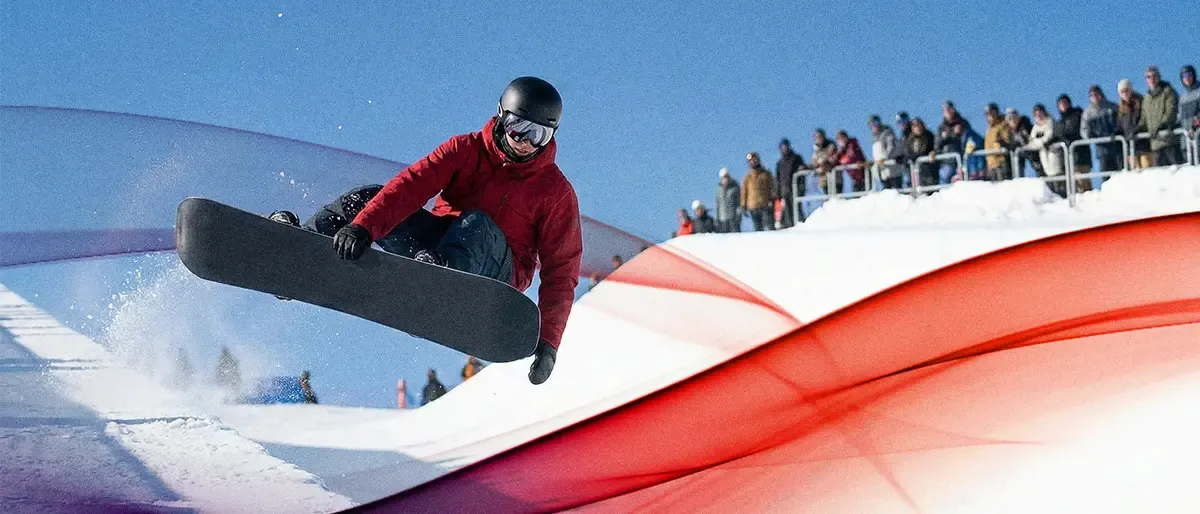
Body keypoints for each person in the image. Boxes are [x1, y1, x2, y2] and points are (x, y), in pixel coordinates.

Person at [268, 77, 581, 385]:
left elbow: (562, 269)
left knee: (478, 224)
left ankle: (440, 283)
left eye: (538, 135)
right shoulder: (465, 149)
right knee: (366, 199)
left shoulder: (555, 192)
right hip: (436, 250)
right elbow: (412, 186)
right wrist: (363, 227)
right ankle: (302, 248)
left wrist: (549, 343)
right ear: (501, 117)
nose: (525, 142)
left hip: (496, 273)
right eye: (518, 128)